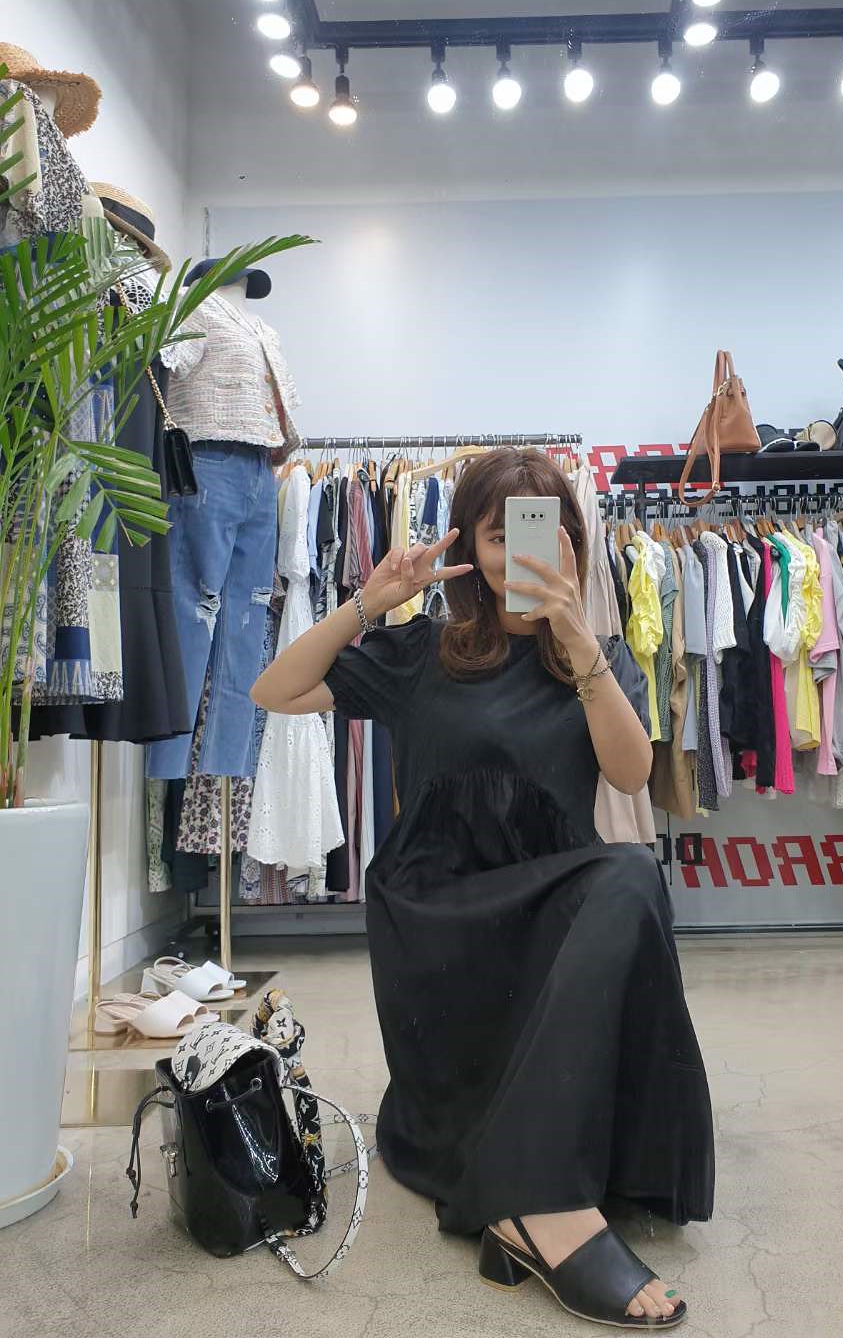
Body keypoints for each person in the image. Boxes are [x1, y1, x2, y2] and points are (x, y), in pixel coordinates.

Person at [253, 448, 714, 1329]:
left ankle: (540, 1186)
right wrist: (371, 602)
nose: (519, 556)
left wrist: (579, 641)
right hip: (440, 912)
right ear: (469, 543)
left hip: (553, 907)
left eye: (543, 534)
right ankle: (543, 1208)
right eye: (501, 537)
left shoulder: (594, 656)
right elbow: (275, 689)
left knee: (629, 872)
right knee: (622, 878)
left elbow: (629, 775)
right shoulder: (421, 651)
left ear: (572, 545)